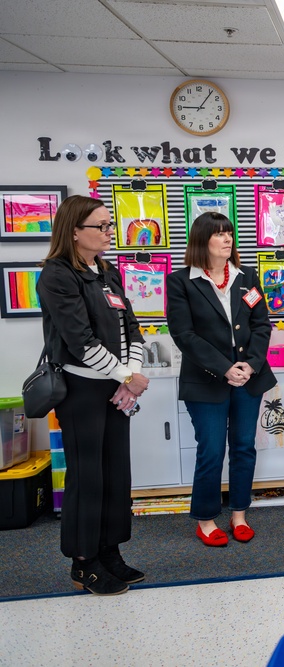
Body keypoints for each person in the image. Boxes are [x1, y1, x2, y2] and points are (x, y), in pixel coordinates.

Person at [36, 195, 149, 595]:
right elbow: (80, 341)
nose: (108, 232)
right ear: (73, 231)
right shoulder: (56, 275)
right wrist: (126, 376)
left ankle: (110, 552)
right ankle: (84, 562)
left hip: (116, 387)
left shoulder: (107, 271)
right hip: (82, 389)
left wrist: (130, 374)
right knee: (88, 477)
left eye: (108, 225)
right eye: (100, 226)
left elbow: (132, 328)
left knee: (116, 473)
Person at [166, 212, 276, 547]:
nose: (227, 239)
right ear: (202, 240)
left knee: (243, 447)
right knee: (211, 450)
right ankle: (206, 519)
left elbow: (261, 326)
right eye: (218, 234)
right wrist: (224, 367)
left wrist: (250, 365)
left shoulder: (247, 277)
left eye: (229, 233)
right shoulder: (181, 281)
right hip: (206, 379)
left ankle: (239, 514)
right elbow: (183, 334)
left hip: (248, 377)